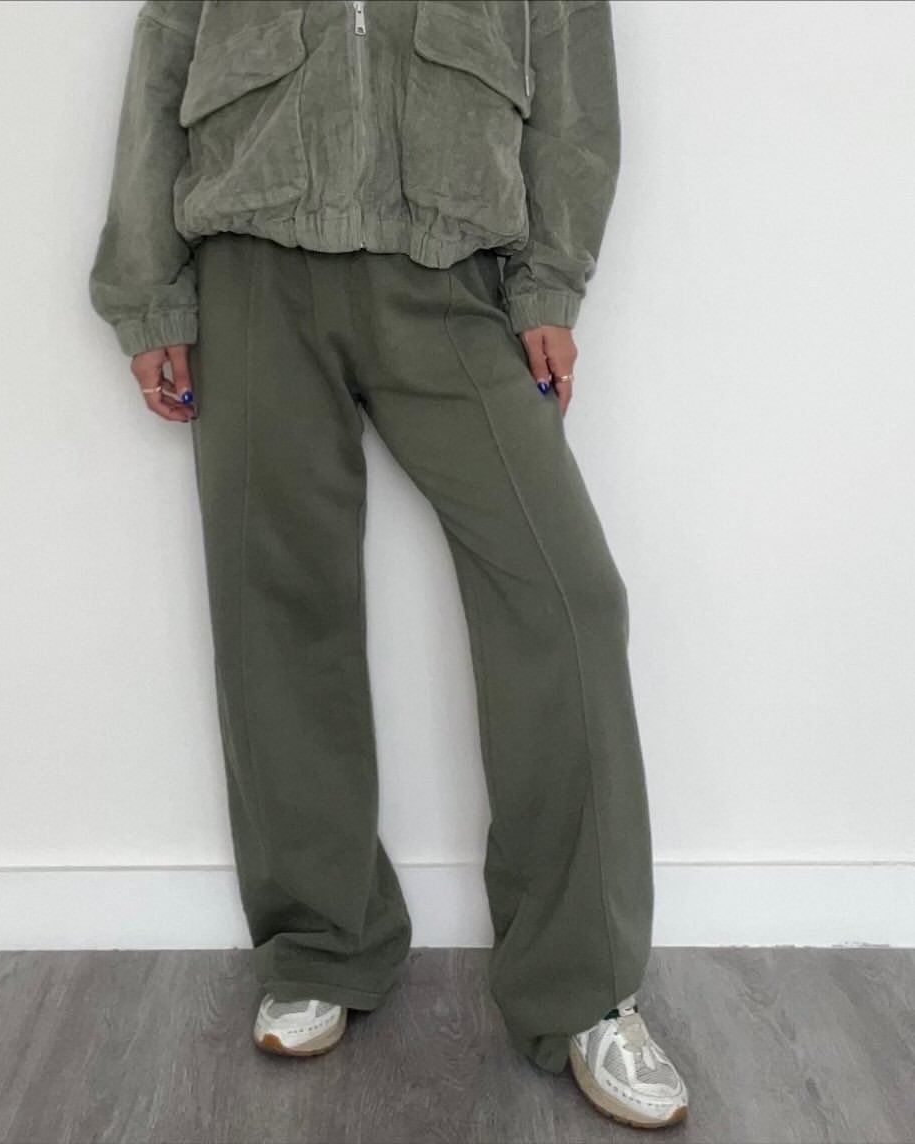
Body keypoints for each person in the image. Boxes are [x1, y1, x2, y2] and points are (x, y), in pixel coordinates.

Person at [89, 0, 688, 1130]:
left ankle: (583, 990)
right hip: (253, 268)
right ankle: (322, 942)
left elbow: (572, 85)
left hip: (453, 275)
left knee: (565, 598)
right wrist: (147, 287)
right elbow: (164, 56)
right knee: (278, 609)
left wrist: (550, 282)